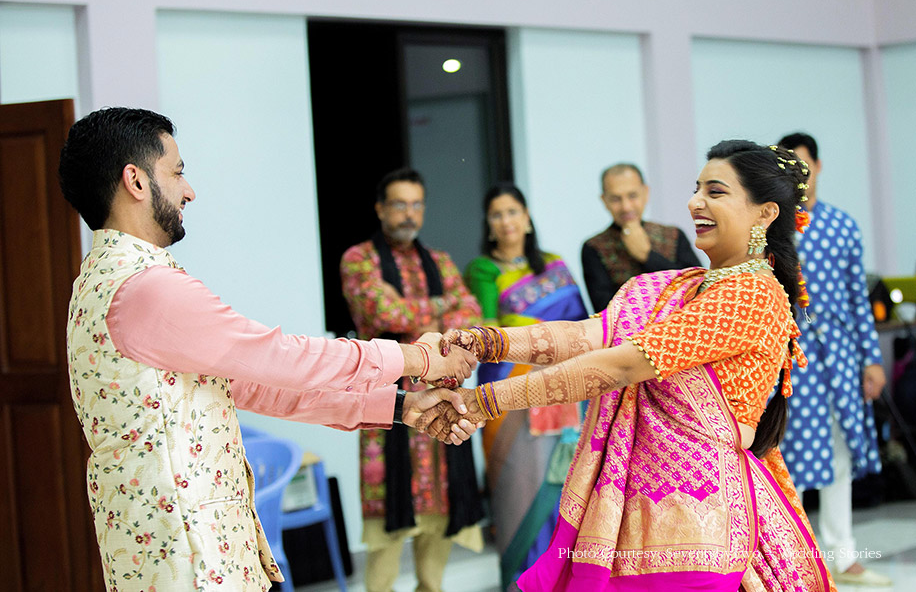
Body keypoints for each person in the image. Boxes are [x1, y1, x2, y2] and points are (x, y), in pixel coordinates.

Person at [59, 108, 479, 592]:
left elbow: (259, 387)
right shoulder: (145, 289)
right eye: (176, 172)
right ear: (134, 180)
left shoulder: (97, 283)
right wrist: (419, 359)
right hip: (189, 559)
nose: (189, 190)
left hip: (180, 548)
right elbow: (280, 356)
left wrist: (400, 406)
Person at [430, 141, 838, 591]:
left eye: (716, 192)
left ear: (764, 214)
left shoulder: (752, 294)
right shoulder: (676, 286)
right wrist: (482, 342)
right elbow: (588, 336)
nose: (695, 201)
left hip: (700, 518)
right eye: (696, 188)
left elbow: (622, 367)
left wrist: (483, 400)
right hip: (636, 505)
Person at [340, 168, 485, 592]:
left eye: (416, 204)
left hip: (440, 402)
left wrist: (417, 307)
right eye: (400, 204)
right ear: (381, 208)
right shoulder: (359, 259)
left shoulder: (438, 261)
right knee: (385, 528)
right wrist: (442, 307)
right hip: (388, 402)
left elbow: (471, 315)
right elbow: (381, 314)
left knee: (438, 524)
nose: (409, 213)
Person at [776, 132, 889, 587]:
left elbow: (859, 302)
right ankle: (793, 559)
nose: (799, 177)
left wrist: (872, 359)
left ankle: (844, 555)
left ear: (818, 167)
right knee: (791, 454)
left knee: (841, 449)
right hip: (792, 354)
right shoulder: (772, 227)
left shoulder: (843, 225)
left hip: (841, 354)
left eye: (804, 167)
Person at [464, 184, 588, 589]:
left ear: (528, 217)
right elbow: (486, 327)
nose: (506, 221)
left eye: (513, 211)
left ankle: (564, 576)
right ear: (488, 223)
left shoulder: (554, 264)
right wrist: (544, 332)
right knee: (519, 490)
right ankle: (521, 579)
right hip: (509, 393)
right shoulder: (484, 269)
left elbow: (585, 322)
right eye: (497, 214)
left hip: (563, 387)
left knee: (563, 483)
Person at [581, 163, 700, 311]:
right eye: (616, 199)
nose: (626, 207)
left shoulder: (674, 235)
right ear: (604, 200)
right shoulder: (593, 248)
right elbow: (604, 311)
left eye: (632, 196)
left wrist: (648, 256)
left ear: (646, 193)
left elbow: (697, 287)